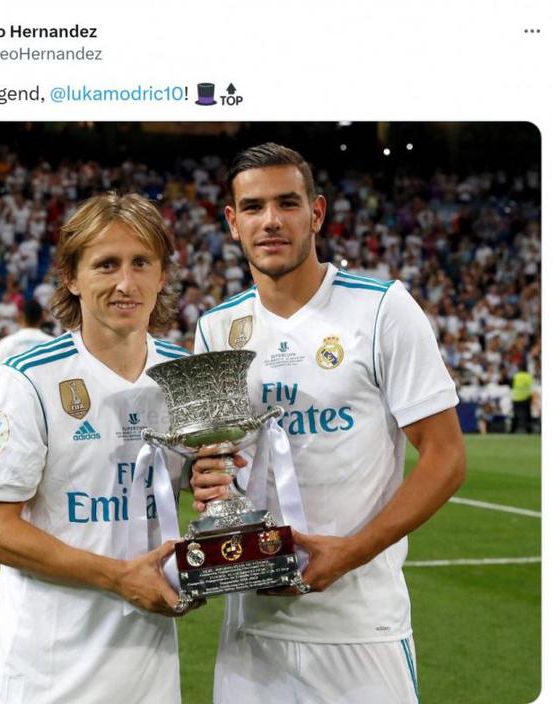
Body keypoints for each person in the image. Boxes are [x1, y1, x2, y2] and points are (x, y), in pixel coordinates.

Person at [192, 143, 466, 704]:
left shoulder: (382, 309)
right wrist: (202, 479)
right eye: (254, 207)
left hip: (361, 629)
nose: (271, 220)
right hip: (252, 633)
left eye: (287, 203)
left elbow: (446, 458)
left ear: (316, 213)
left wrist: (352, 552)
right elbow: (212, 466)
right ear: (233, 222)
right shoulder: (216, 328)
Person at [0, 192, 192, 704]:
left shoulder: (184, 374)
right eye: (106, 264)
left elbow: (201, 493)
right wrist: (119, 578)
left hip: (152, 671)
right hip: (51, 674)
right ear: (71, 277)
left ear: (162, 275)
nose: (126, 283)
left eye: (141, 263)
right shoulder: (29, 379)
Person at [0, 299, 53, 380]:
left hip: (14, 387)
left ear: (19, 316)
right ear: (42, 317)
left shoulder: (6, 343)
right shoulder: (52, 343)